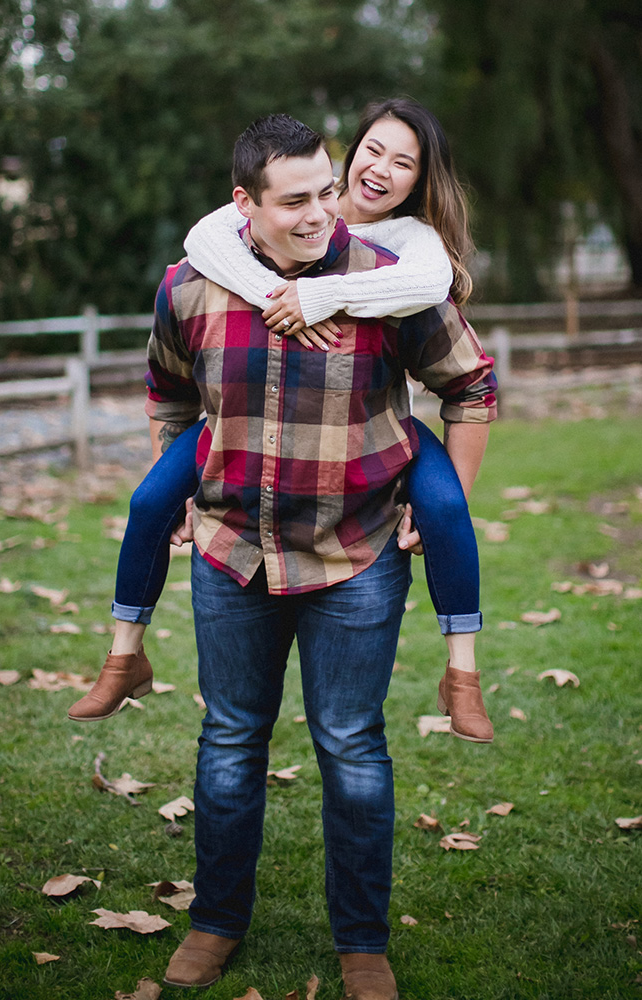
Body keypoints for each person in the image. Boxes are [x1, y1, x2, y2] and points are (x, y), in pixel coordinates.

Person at [138, 113, 495, 997]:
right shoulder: (188, 288)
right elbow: (167, 393)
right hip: (232, 555)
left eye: (326, 194)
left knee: (352, 747)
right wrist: (170, 480)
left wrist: (447, 500)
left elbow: (469, 384)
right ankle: (215, 921)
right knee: (227, 743)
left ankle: (362, 942)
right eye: (293, 201)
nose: (318, 215)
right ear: (243, 206)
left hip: (358, 555)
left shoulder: (390, 283)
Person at [68, 99, 495, 746]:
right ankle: (124, 653)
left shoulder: (408, 244)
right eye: (371, 150)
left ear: (419, 181)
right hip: (237, 439)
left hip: (368, 445)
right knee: (152, 497)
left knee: (444, 508)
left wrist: (323, 293)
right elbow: (204, 244)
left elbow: (439, 306)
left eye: (402, 162)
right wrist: (273, 290)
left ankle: (461, 674)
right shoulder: (253, 226)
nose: (379, 169)